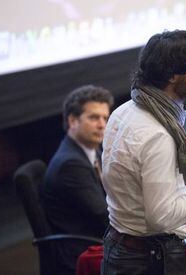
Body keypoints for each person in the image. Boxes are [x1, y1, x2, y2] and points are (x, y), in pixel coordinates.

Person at [101, 30, 186, 275]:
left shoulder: (125, 110)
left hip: (122, 249)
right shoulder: (158, 135)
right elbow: (163, 217)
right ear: (173, 74)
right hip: (148, 260)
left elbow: (134, 178)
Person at [40, 85, 114, 275]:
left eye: (105, 118)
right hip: (83, 251)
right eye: (94, 117)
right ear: (73, 120)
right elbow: (104, 216)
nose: (102, 124)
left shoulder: (92, 151)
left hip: (97, 238)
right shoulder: (70, 164)